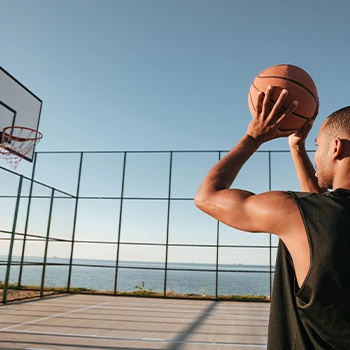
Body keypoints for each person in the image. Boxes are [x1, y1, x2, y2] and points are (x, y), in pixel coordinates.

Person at [194, 86, 350, 349]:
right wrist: (297, 147)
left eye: (317, 145)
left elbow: (207, 196)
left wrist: (253, 136)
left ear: (336, 148)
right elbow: (325, 209)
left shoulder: (295, 212)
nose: (316, 154)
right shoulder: (320, 217)